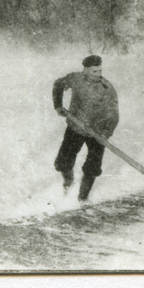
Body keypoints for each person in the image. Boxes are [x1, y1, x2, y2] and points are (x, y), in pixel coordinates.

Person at [53, 55, 119, 203]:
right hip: (76, 127)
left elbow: (114, 115)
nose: (98, 75)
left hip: (97, 132)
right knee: (63, 162)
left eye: (100, 71)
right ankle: (68, 183)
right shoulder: (75, 79)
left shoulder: (107, 88)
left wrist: (105, 134)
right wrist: (57, 105)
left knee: (93, 167)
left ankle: (82, 197)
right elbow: (58, 84)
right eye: (94, 71)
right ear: (85, 70)